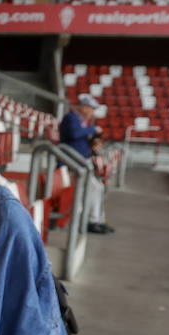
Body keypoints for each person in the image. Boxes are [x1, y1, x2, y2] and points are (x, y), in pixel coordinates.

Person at [59, 95, 113, 234]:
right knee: (94, 188)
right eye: (91, 109)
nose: (92, 112)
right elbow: (74, 133)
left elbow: (79, 138)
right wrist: (93, 130)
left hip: (81, 162)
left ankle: (97, 220)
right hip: (71, 163)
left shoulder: (81, 121)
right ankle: (93, 221)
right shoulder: (71, 117)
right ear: (83, 107)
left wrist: (92, 144)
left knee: (97, 188)